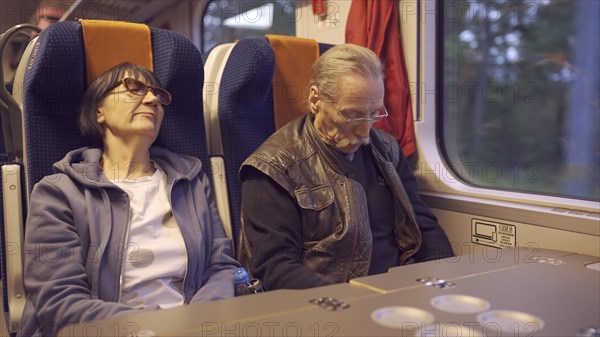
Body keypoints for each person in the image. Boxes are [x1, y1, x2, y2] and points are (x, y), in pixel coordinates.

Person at [19, 62, 239, 337]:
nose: (151, 100)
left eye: (158, 96)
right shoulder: (59, 193)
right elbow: (59, 301)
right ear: (99, 110)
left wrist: (199, 324)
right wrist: (153, 328)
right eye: (134, 89)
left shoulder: (191, 181)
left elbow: (221, 267)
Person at [237, 44, 454, 290]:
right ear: (315, 100)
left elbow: (423, 225)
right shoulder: (272, 168)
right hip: (331, 301)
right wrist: (357, 301)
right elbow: (275, 268)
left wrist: (444, 282)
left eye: (374, 114)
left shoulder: (387, 149)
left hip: (400, 288)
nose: (365, 132)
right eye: (353, 115)